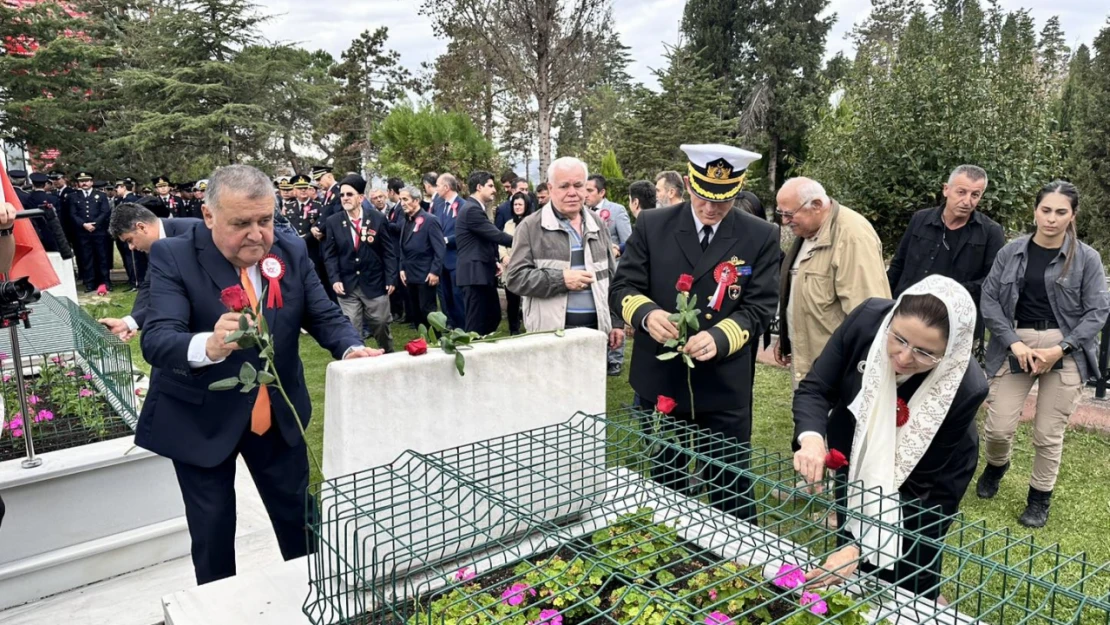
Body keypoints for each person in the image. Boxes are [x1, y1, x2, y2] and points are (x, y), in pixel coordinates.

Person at [136, 164, 381, 586]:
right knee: (212, 533)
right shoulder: (172, 255)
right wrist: (206, 346)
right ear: (209, 216)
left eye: (264, 220)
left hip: (276, 416)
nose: (256, 235)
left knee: (301, 524)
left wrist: (350, 346)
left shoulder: (289, 249)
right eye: (241, 223)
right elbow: (157, 339)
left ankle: (315, 597)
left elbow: (322, 313)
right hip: (201, 420)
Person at [610, 145, 778, 519]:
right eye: (703, 196)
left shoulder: (761, 235)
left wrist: (720, 337)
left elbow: (760, 306)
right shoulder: (653, 225)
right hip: (662, 379)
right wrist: (647, 314)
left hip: (722, 385)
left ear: (738, 189)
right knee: (665, 482)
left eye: (723, 199)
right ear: (688, 184)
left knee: (730, 488)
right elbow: (622, 288)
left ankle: (737, 564)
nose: (711, 208)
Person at [792, 276, 986, 600]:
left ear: (949, 353)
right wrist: (812, 439)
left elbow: (916, 489)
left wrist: (858, 548)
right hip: (861, 447)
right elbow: (816, 388)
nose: (905, 358)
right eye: (899, 338)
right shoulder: (867, 320)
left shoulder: (966, 389)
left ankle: (919, 602)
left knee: (913, 558)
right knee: (852, 518)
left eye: (926, 353)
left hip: (930, 472)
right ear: (892, 317)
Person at [977, 181, 1110, 528]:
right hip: (1016, 341)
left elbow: (1097, 312)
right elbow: (989, 299)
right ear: (1035, 211)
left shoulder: (1087, 258)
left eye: (1060, 212)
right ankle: (997, 466)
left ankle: (1039, 498)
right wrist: (1014, 343)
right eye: (1045, 210)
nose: (1051, 219)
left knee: (1048, 433)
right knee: (999, 428)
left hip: (1064, 347)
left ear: (1073, 215)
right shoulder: (1012, 252)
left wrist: (1059, 349)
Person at [775, 177, 891, 388]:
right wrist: (786, 338)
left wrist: (856, 376)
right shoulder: (810, 230)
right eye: (781, 213)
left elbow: (869, 314)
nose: (784, 221)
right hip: (810, 365)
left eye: (789, 214)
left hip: (838, 374)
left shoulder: (853, 237)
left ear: (817, 206)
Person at [507, 157, 622, 345]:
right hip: (550, 337)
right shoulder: (531, 227)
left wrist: (616, 321)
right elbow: (514, 278)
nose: (572, 193)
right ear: (551, 189)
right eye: (564, 186)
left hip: (595, 334)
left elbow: (611, 276)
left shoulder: (597, 224)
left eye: (578, 185)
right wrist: (561, 280)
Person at [887, 165, 1005, 303]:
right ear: (946, 190)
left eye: (975, 195)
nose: (967, 201)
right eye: (961, 192)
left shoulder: (991, 231)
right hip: (906, 307)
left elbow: (993, 281)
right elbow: (898, 264)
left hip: (955, 315)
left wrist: (949, 292)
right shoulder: (920, 219)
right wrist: (884, 301)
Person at [100, 202, 203, 339]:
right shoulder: (155, 247)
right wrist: (129, 322)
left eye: (130, 240)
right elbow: (149, 285)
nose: (131, 247)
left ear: (141, 227)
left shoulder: (193, 230)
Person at [323, 175, 398, 353]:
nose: (345, 198)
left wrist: (391, 278)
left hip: (375, 282)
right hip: (347, 285)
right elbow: (330, 255)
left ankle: (388, 353)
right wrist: (334, 279)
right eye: (342, 195)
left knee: (380, 323)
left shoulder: (377, 218)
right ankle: (359, 362)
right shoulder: (333, 222)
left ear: (361, 198)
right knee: (351, 328)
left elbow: (388, 252)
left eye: (349, 194)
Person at [456, 171, 514, 335]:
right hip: (474, 275)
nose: (494, 190)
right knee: (476, 325)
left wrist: (493, 260)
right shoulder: (472, 210)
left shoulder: (473, 208)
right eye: (490, 186)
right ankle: (472, 357)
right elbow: (496, 235)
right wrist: (525, 242)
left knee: (491, 317)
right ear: (479, 187)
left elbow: (480, 241)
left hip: (481, 272)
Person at [399, 185, 446, 329]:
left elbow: (440, 248)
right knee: (416, 312)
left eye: (405, 199)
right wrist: (402, 268)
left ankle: (436, 340)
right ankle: (422, 342)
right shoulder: (406, 220)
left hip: (425, 274)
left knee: (428, 312)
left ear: (416, 200)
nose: (402, 203)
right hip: (410, 275)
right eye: (401, 199)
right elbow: (403, 246)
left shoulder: (430, 220)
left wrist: (435, 271)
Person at [66, 170, 113, 292]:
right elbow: (72, 214)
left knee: (102, 257)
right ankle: (90, 283)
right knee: (86, 257)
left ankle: (105, 282)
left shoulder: (101, 195)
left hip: (98, 232)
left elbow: (105, 212)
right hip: (82, 232)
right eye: (81, 181)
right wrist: (83, 224)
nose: (84, 183)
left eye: (86, 181)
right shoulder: (73, 196)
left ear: (92, 182)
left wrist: (95, 224)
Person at [498, 192, 533, 334]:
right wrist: (503, 257)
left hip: (526, 267)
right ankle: (514, 329)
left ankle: (530, 325)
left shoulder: (532, 222)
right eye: (515, 204)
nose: (517, 207)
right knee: (512, 301)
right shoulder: (509, 224)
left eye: (520, 204)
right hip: (510, 268)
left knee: (527, 300)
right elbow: (501, 243)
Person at [435, 173, 466, 328]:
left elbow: (465, 232)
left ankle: (464, 327)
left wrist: (447, 240)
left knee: (458, 296)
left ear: (446, 187)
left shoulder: (464, 206)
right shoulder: (440, 206)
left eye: (438, 185)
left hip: (456, 259)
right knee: (446, 298)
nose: (436, 188)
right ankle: (452, 325)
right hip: (442, 260)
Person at [26, 172, 73, 259]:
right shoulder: (53, 198)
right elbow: (60, 218)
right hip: (53, 233)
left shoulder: (28, 199)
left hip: (35, 234)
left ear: (33, 184)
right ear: (45, 184)